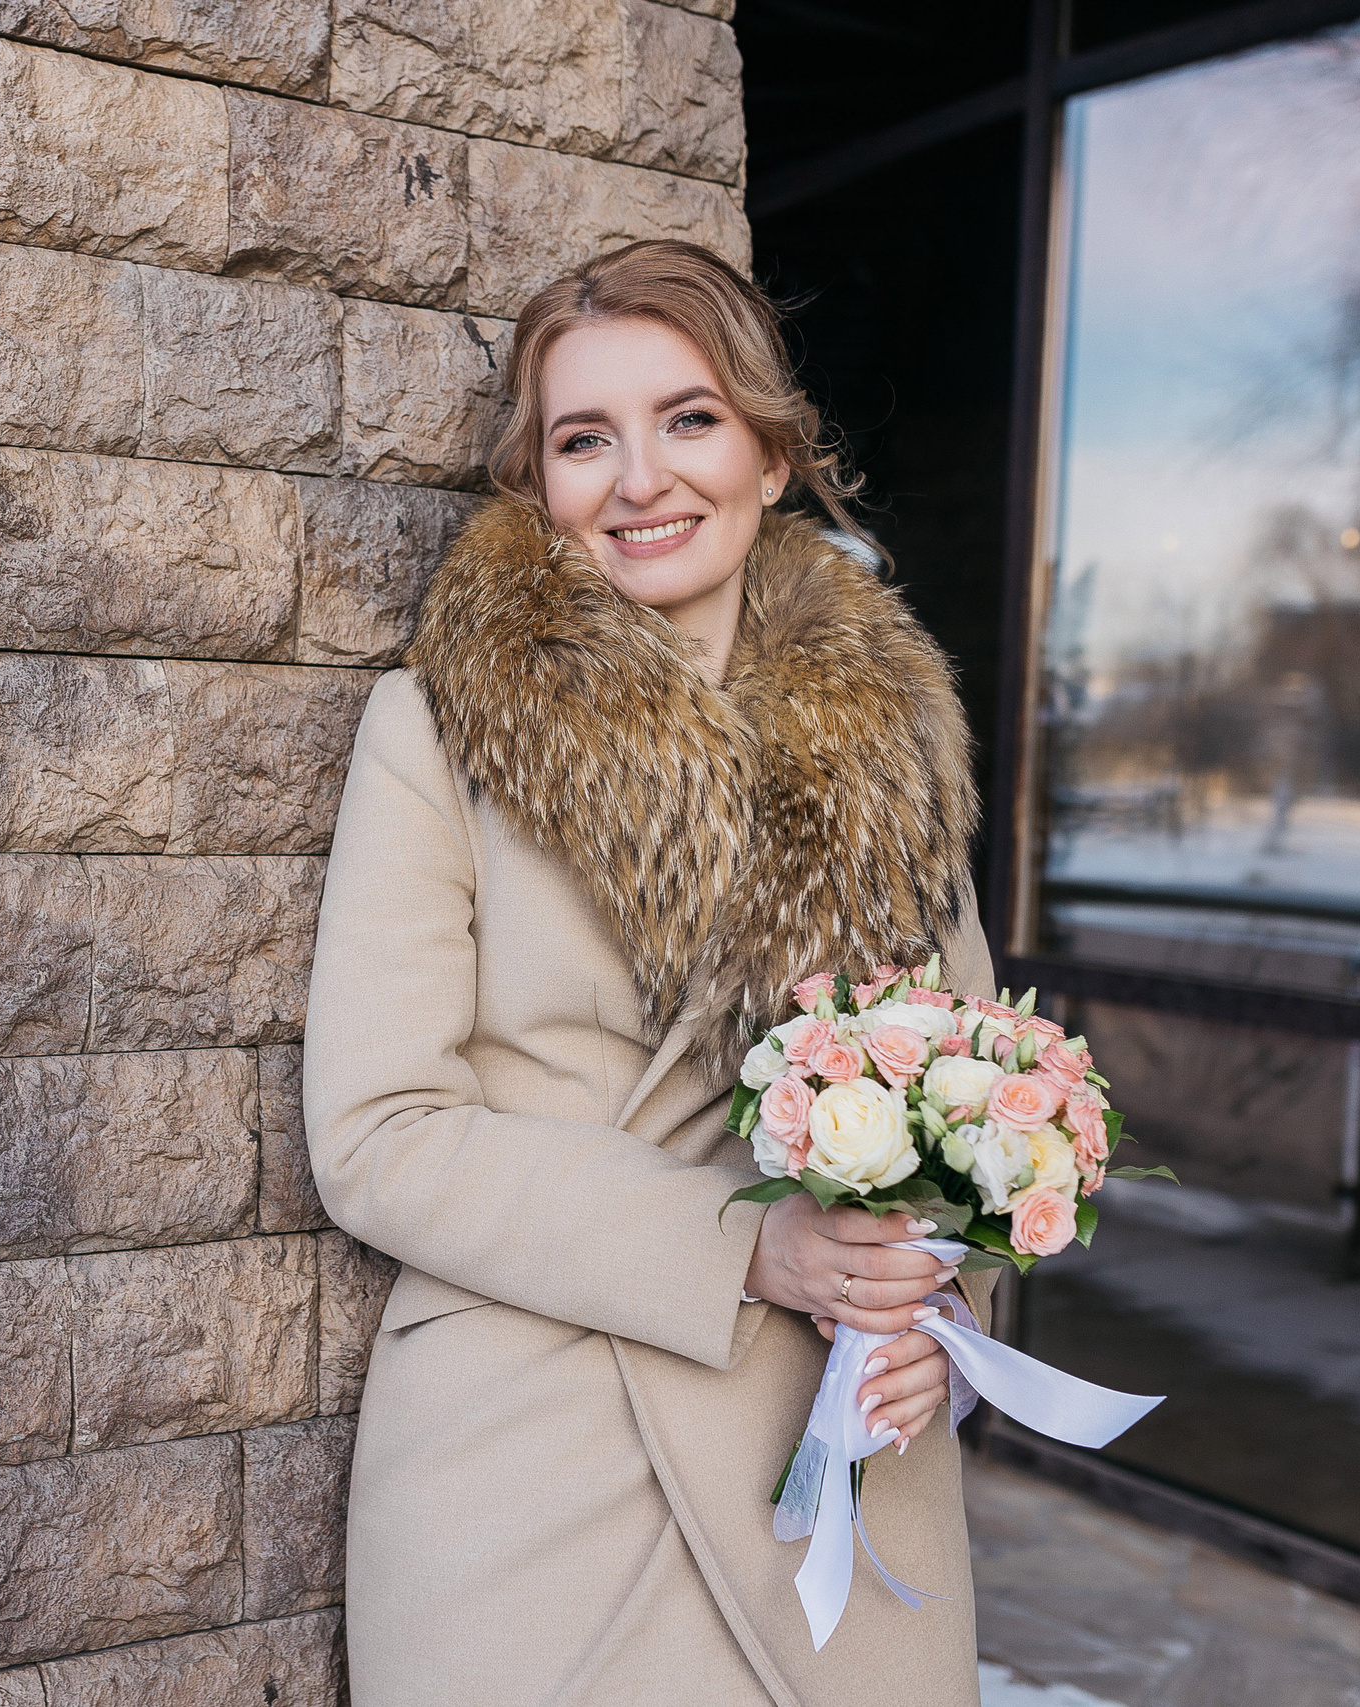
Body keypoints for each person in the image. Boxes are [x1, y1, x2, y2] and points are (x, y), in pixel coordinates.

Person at [304, 239, 995, 1706]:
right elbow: (377, 1135)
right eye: (582, 439)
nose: (640, 479)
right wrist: (750, 1245)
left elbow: (974, 1116)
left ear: (769, 452)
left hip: (832, 1459)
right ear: (536, 486)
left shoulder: (897, 747)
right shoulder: (438, 735)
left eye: (687, 420)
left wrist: (934, 1320)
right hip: (536, 1463)